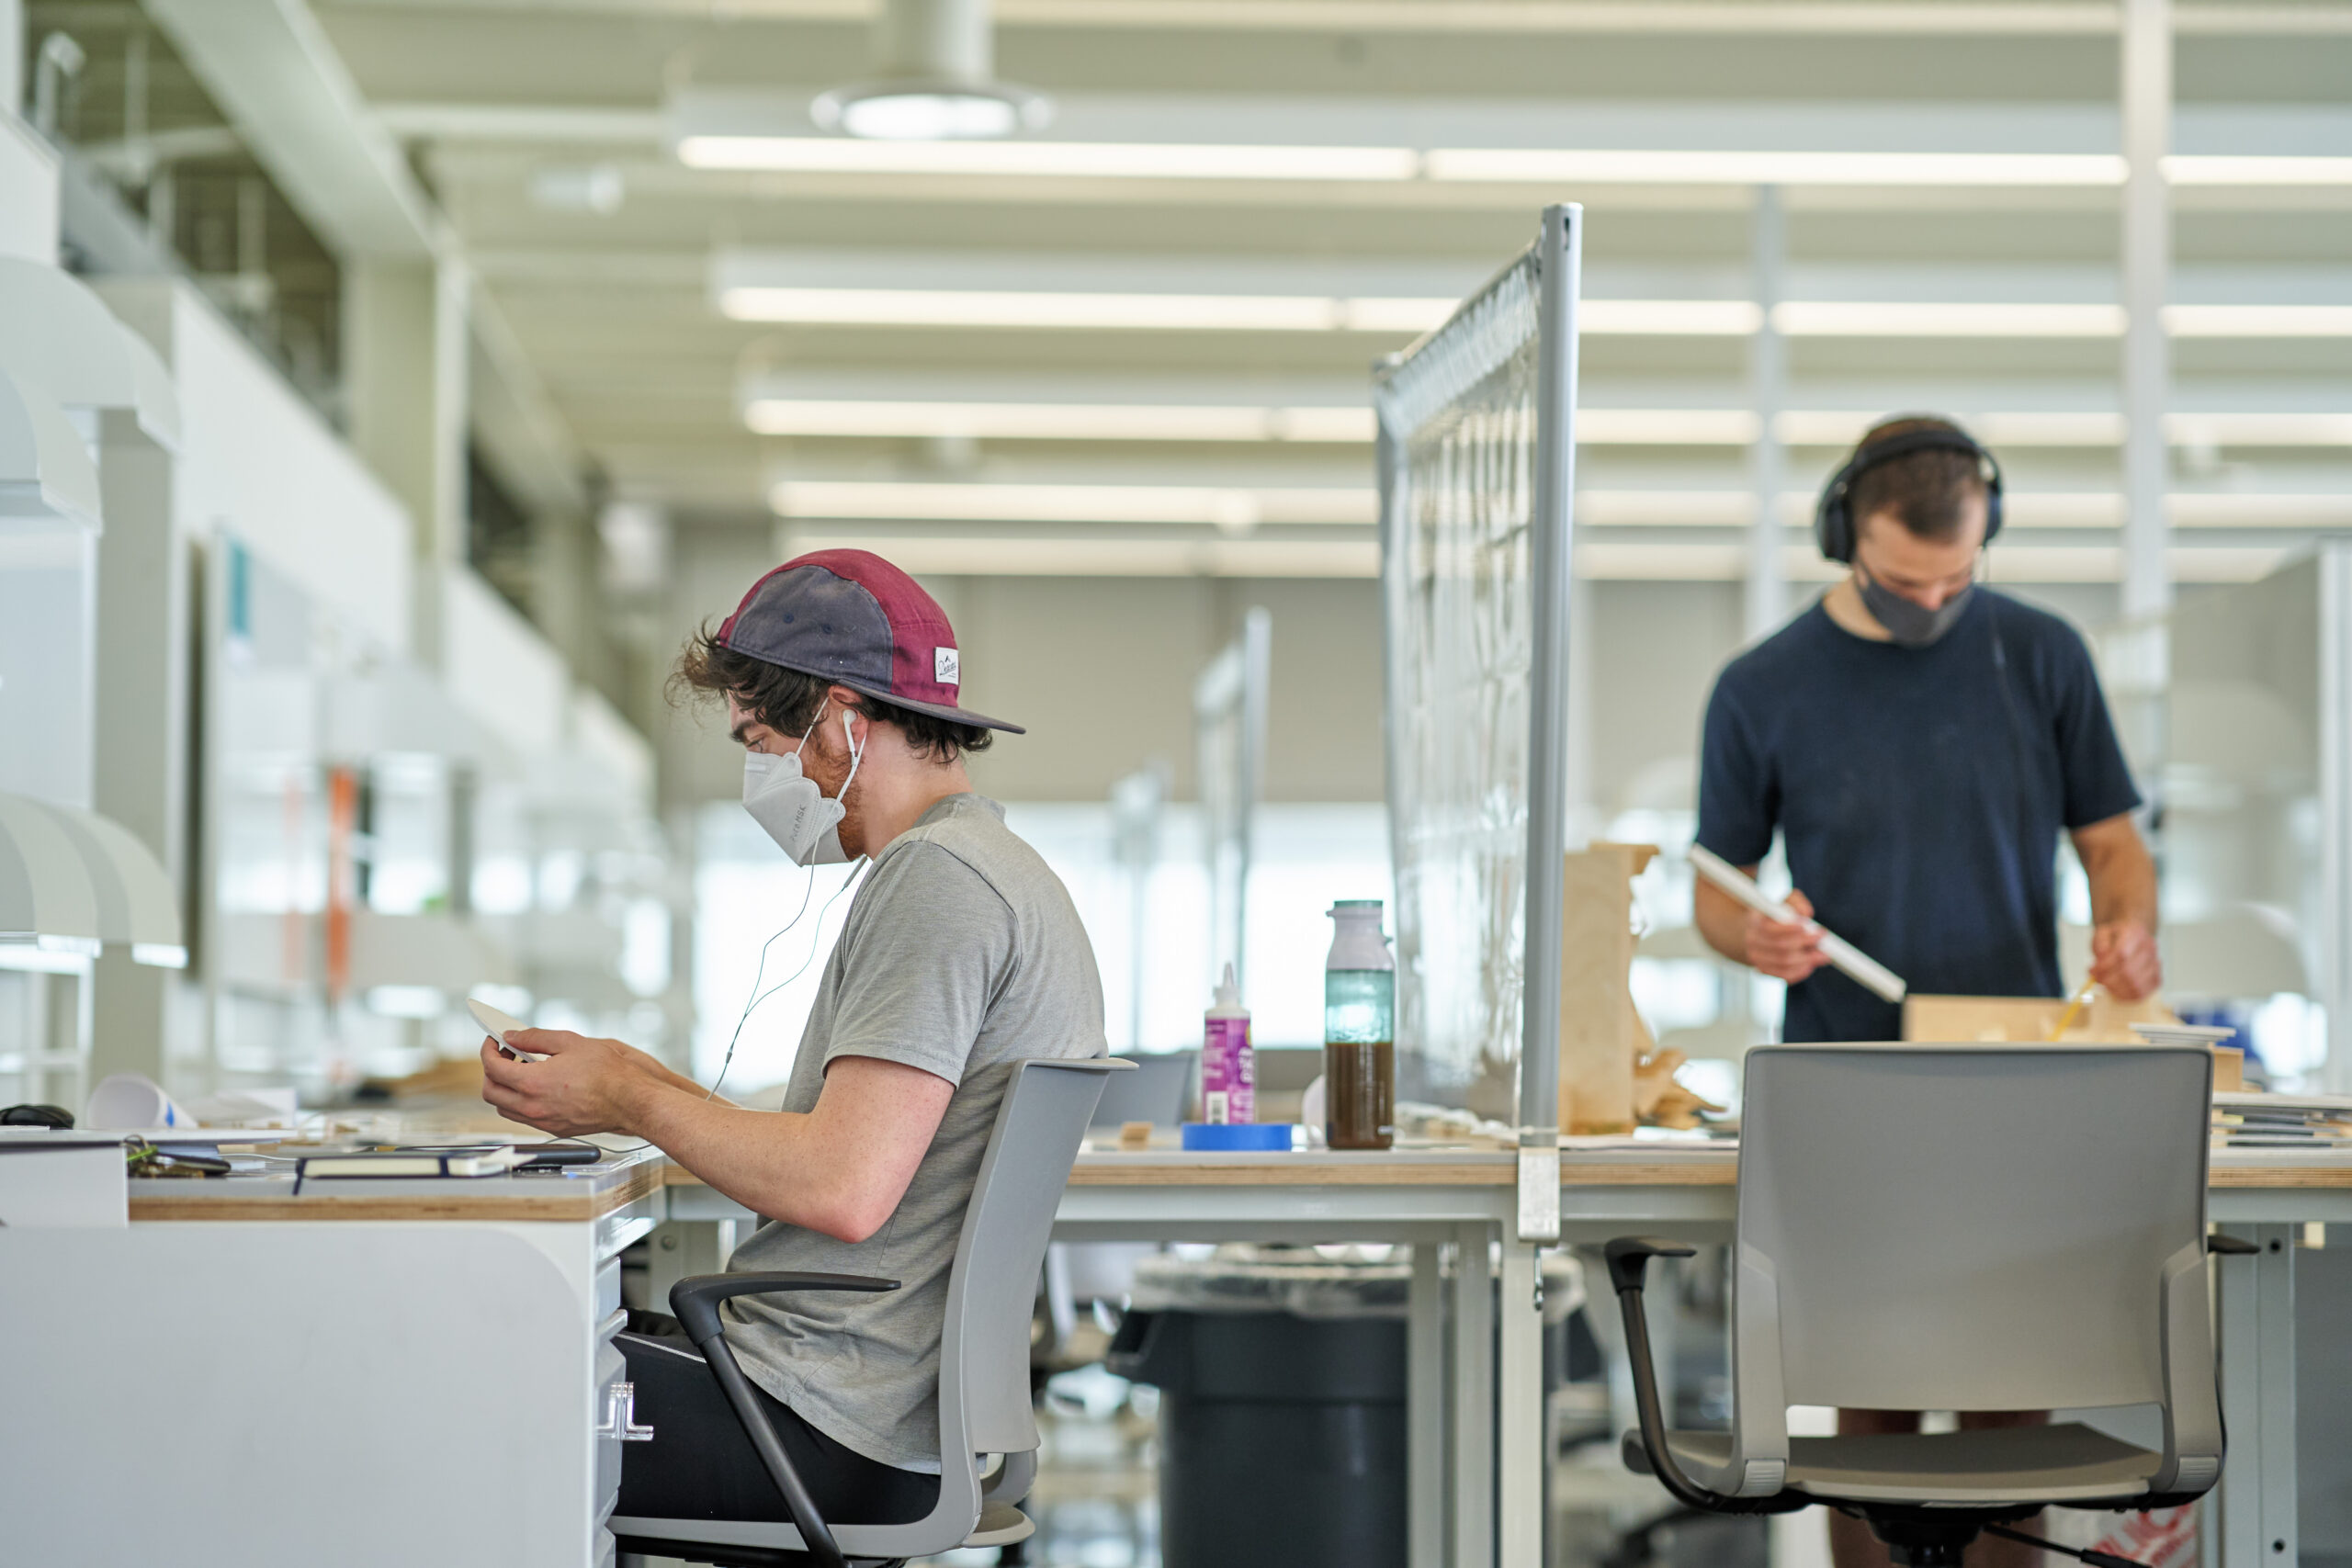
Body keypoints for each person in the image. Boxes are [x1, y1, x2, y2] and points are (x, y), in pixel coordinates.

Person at [479, 547, 1107, 1533]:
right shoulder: (1002, 870)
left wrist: (630, 1101)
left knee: (455, 1380)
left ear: (840, 719)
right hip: (855, 1407)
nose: (758, 772)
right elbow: (855, 1152)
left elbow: (840, 1188)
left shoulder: (938, 883)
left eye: (760, 739)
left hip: (815, 1421)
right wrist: (624, 1076)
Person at [1691, 418, 2161, 1568]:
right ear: (1845, 534)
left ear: (1986, 536)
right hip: (1846, 1086)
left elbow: (2111, 843)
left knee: (2016, 1392)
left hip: (2023, 1078)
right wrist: (1753, 937)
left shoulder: (2044, 654)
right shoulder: (1762, 686)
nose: (1934, 603)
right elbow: (1716, 887)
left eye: (1958, 578)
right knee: (1871, 1399)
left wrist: (2128, 928)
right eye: (1907, 582)